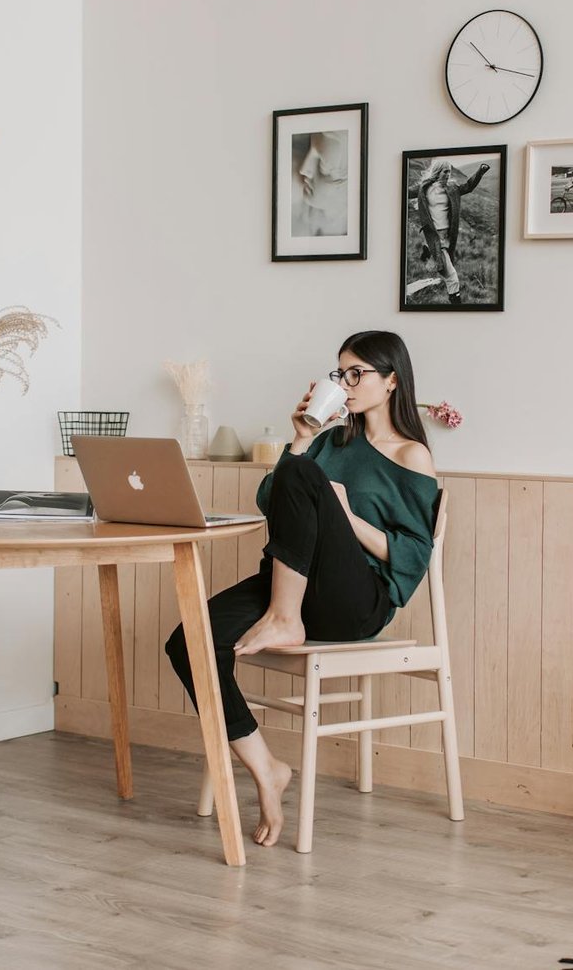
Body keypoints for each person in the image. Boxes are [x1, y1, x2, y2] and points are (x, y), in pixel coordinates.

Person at [164, 331, 439, 849]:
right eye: (341, 373)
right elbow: (275, 502)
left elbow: (411, 556)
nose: (346, 383)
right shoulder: (329, 444)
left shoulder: (412, 455)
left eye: (358, 373)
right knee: (188, 641)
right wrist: (301, 438)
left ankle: (284, 616)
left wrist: (345, 514)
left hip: (357, 602)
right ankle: (266, 767)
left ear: (392, 380)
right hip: (294, 582)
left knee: (302, 475)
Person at [413, 157, 489, 305]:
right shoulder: (424, 188)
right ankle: (456, 302)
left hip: (448, 236)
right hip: (434, 235)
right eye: (445, 171)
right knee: (451, 275)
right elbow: (404, 191)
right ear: (438, 172)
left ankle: (428, 255)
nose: (448, 174)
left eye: (449, 171)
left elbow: (468, 186)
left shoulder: (452, 188)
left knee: (443, 267)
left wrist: (480, 172)